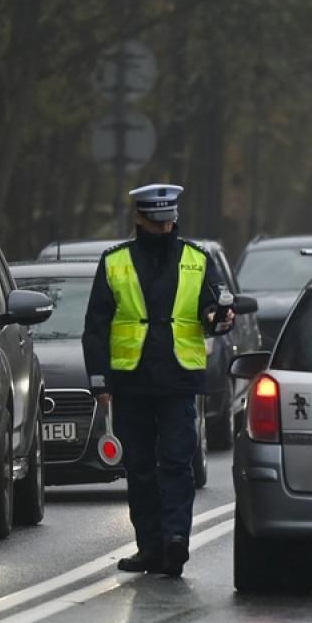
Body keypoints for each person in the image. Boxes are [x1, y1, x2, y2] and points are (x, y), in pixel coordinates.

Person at [82, 184, 233, 577]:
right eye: (156, 222)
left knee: (177, 463)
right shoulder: (115, 262)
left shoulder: (197, 259)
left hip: (179, 380)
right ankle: (150, 547)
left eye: (169, 222)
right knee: (140, 467)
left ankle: (176, 540)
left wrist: (218, 317)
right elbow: (96, 328)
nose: (164, 229)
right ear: (139, 218)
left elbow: (213, 309)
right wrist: (100, 382)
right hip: (131, 381)